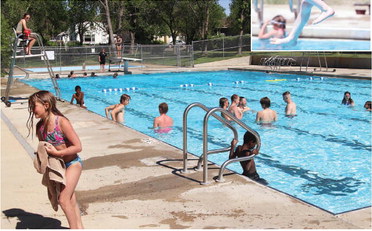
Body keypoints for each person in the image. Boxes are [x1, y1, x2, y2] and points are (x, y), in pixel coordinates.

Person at [26, 91, 84, 229]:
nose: (31, 110)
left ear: (46, 105)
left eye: (33, 106)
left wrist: (59, 152)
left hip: (73, 164)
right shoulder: (40, 127)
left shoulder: (61, 122)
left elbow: (78, 146)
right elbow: (44, 148)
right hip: (59, 166)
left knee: (63, 200)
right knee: (71, 199)